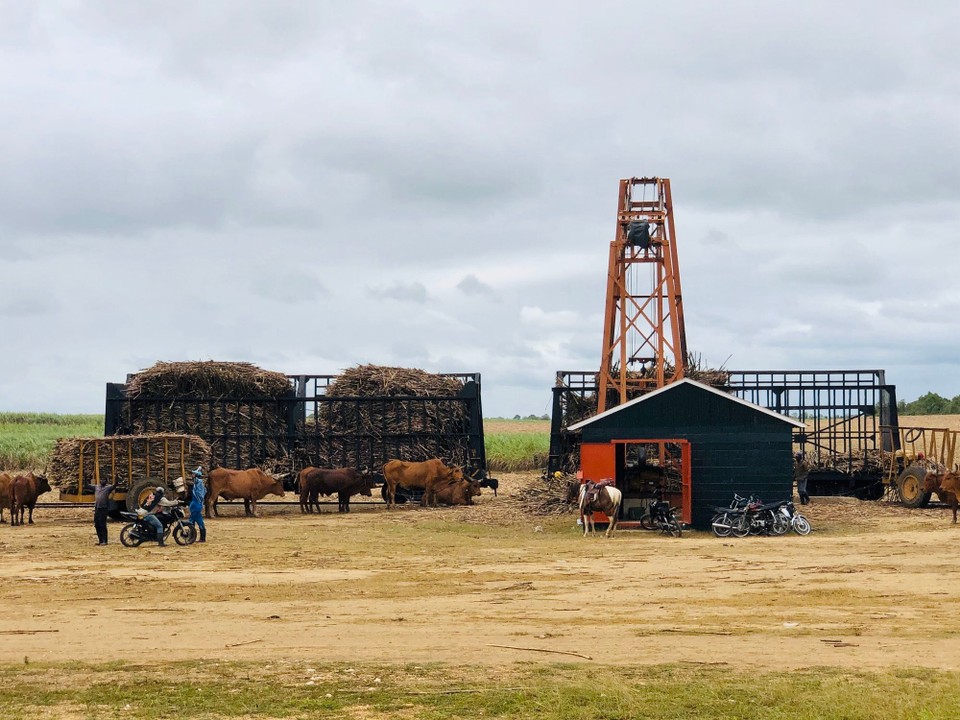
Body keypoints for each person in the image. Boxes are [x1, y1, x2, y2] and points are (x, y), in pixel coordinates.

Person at [93, 477, 114, 545]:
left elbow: (115, 485)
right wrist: (85, 478)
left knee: (102, 524)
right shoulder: (96, 487)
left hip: (103, 508)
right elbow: (86, 486)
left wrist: (116, 477)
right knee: (97, 524)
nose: (103, 481)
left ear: (106, 481)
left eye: (104, 480)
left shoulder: (108, 488)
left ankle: (105, 540)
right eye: (102, 479)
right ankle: (100, 540)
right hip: (97, 508)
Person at [189, 467, 207, 543]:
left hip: (197, 504)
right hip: (195, 504)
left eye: (193, 474)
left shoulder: (198, 482)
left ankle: (193, 537)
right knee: (196, 520)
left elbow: (199, 494)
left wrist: (197, 472)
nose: (192, 475)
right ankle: (197, 537)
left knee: (193, 521)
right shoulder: (198, 482)